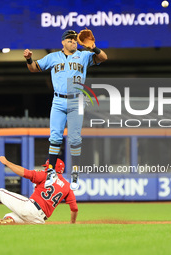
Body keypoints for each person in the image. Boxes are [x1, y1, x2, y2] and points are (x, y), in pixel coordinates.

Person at [23, 30, 108, 190]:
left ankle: (75, 174)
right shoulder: (53, 57)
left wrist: (94, 48)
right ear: (63, 42)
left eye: (74, 40)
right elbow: (34, 68)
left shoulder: (84, 55)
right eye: (69, 40)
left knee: (75, 140)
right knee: (55, 138)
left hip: (76, 100)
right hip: (58, 100)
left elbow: (104, 58)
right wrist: (29, 59)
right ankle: (50, 172)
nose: (73, 42)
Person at [0, 156, 78, 224]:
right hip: (39, 220)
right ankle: (6, 222)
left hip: (31, 208)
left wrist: (7, 163)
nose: (46, 169)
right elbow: (74, 208)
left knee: (0, 193)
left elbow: (25, 173)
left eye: (47, 167)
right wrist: (72, 223)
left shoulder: (46, 175)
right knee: (9, 217)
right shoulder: (67, 186)